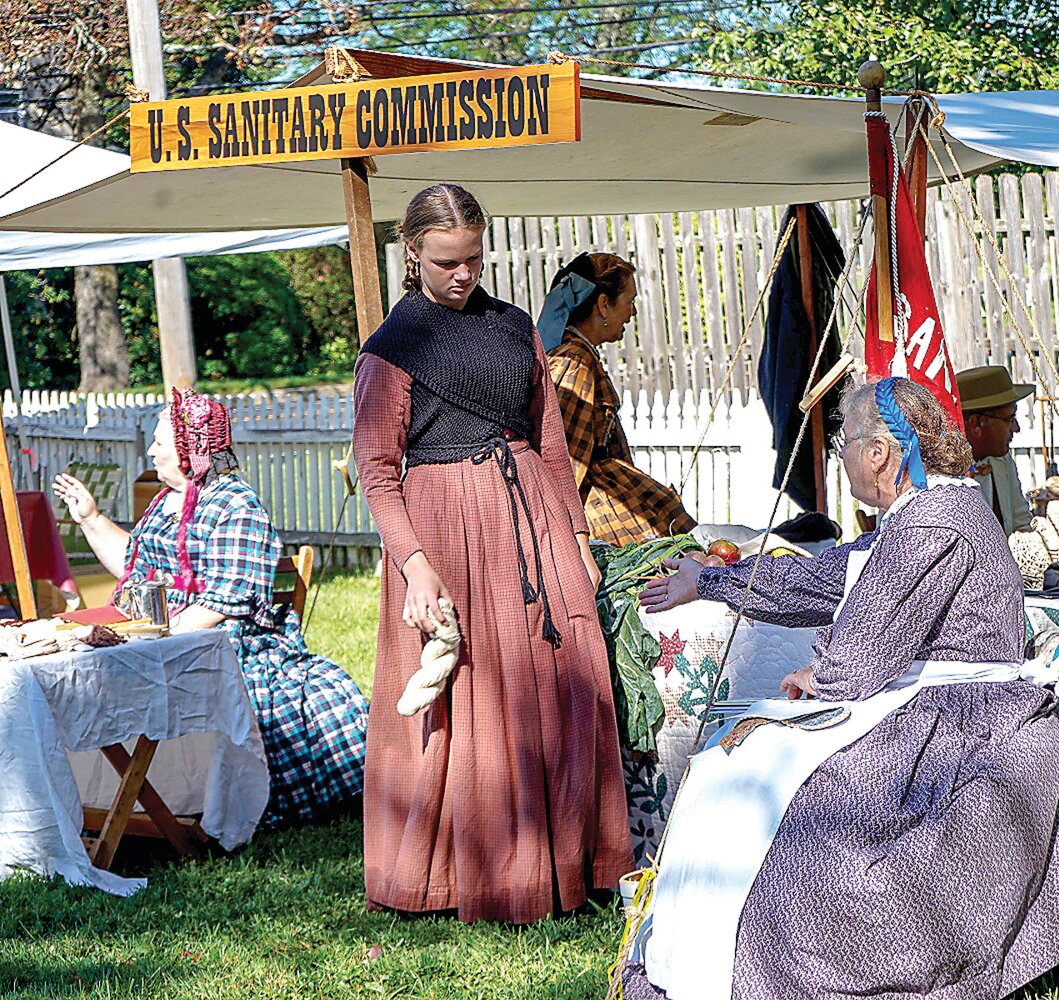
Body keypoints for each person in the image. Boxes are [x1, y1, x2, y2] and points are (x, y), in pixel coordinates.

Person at [622, 378, 1059, 999]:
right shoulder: (922, 514)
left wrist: (824, 674)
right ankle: (709, 956)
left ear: (881, 454)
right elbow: (827, 577)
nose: (839, 453)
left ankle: (763, 967)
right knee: (734, 761)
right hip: (931, 704)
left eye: (845, 440)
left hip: (964, 724)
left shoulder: (934, 525)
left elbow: (865, 652)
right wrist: (711, 582)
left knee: (776, 790)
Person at [352, 184, 633, 923]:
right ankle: (464, 875)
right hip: (445, 535)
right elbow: (377, 471)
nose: (462, 274)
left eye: (474, 258)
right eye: (446, 261)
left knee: (572, 673)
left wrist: (575, 541)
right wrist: (415, 565)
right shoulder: (391, 349)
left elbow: (548, 438)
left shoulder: (513, 328)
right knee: (473, 698)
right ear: (412, 254)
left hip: (533, 517)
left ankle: (576, 860)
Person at [52, 390, 367, 829]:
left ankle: (176, 805)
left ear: (190, 448)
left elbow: (227, 600)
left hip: (225, 642)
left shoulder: (236, 506)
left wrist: (159, 643)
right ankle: (99, 802)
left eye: (160, 442)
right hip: (166, 632)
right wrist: (90, 518)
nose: (151, 451)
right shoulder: (165, 504)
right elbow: (137, 565)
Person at [540, 252, 696, 546]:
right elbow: (563, 464)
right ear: (603, 305)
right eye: (629, 301)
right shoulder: (574, 363)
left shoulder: (579, 358)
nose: (633, 312)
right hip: (596, 514)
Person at [957, 363, 1035, 534]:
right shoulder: (942, 474)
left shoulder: (1003, 461)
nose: (1016, 428)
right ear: (976, 423)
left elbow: (1021, 521)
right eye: (1009, 418)